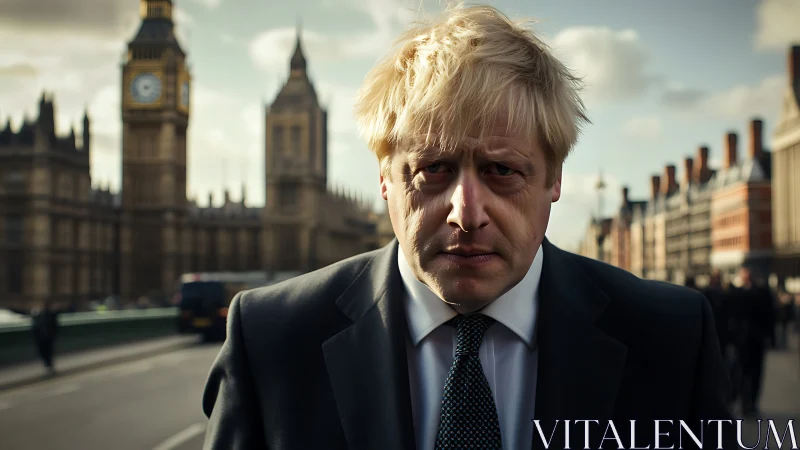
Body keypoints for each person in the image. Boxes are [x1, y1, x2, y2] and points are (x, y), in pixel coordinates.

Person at [202, 5, 734, 449]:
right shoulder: (271, 340)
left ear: (554, 179)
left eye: (502, 171)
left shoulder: (670, 340)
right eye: (434, 170)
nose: (466, 212)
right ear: (385, 179)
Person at [732, 267, 776, 417]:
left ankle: (751, 403)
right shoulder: (738, 293)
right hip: (745, 340)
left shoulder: (759, 292)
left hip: (754, 339)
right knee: (745, 372)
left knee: (754, 372)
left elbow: (769, 316)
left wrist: (770, 337)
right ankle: (746, 403)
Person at [30, 301, 59, 374]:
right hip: (44, 338)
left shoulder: (50, 315)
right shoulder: (40, 314)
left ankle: (49, 366)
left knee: (47, 352)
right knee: (46, 352)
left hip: (46, 337)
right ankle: (49, 366)